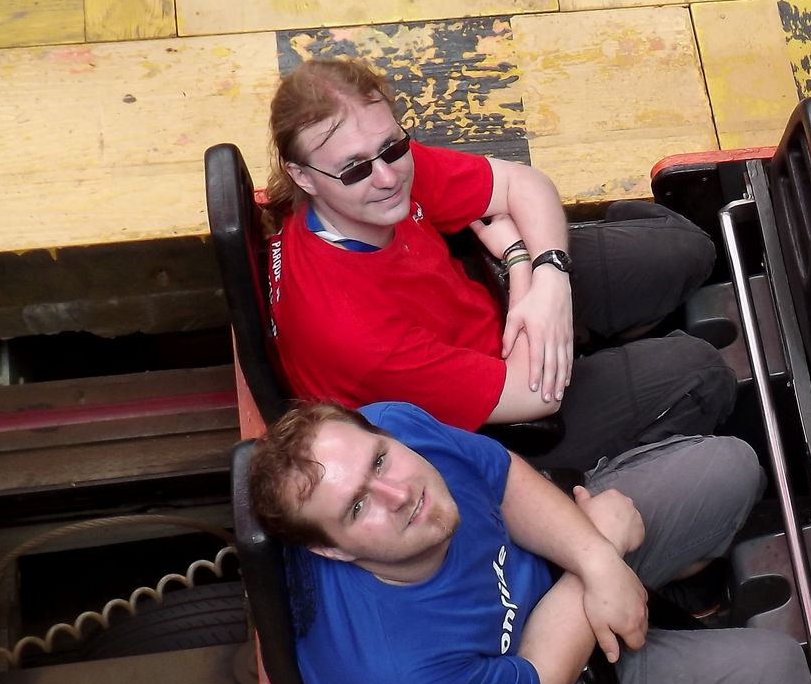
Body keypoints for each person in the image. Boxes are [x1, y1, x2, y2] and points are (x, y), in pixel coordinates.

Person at [245, 400, 811, 684]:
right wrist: (603, 546)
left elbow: (503, 479)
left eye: (380, 462)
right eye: (357, 507)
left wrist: (594, 557)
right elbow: (538, 682)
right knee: (781, 671)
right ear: (332, 550)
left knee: (730, 467)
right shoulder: (396, 682)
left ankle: (662, 594)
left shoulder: (390, 426)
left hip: (549, 563)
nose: (399, 494)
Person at [263, 57, 733, 473]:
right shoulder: (353, 332)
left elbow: (523, 184)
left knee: (686, 248)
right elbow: (535, 395)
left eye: (393, 147)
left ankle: (605, 338)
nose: (387, 178)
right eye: (354, 169)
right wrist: (522, 263)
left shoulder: (370, 164)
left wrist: (550, 274)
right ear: (302, 176)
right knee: (702, 372)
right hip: (497, 427)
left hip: (497, 310)